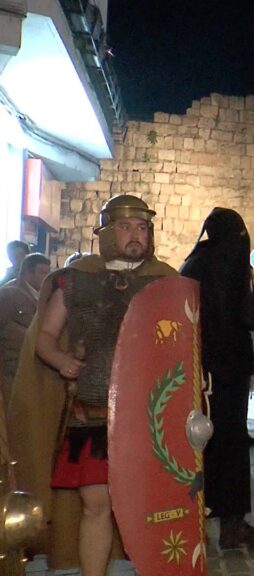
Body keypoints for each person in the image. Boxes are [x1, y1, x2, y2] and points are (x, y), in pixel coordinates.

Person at [7, 195, 176, 574]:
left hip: (151, 417)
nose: (136, 235)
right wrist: (63, 360)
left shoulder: (168, 282)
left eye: (143, 228)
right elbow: (46, 338)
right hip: (93, 414)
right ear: (105, 233)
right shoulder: (76, 280)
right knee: (95, 505)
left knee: (151, 508)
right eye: (126, 226)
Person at [180, 207, 254, 549]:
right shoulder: (223, 266)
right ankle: (221, 523)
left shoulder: (195, 265)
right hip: (218, 375)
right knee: (221, 448)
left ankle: (216, 523)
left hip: (212, 373)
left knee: (215, 448)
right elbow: (247, 316)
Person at [0, 253, 50, 398]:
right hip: (11, 369)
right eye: (42, 273)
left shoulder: (43, 297)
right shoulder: (8, 295)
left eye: (48, 273)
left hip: (30, 369)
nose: (46, 277)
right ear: (28, 273)